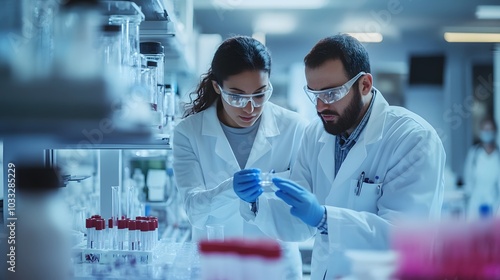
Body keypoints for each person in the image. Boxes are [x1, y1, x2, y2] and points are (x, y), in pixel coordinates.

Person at [233, 34, 446, 279]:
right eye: (314, 94)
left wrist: (324, 219)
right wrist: (255, 202)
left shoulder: (413, 139)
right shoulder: (316, 134)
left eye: (331, 94)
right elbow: (301, 223)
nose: (320, 106)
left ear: (364, 84)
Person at [172, 36, 308, 279]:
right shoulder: (188, 132)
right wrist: (229, 190)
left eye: (259, 94)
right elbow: (194, 210)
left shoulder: (294, 128)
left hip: (276, 269)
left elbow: (302, 208)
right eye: (236, 96)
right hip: (216, 266)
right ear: (217, 87)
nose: (250, 108)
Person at [463, 117, 500, 218]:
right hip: (475, 206)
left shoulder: (498, 156)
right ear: (480, 132)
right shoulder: (474, 154)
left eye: (490, 130)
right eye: (485, 130)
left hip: (494, 206)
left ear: (495, 132)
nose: (487, 133)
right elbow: (468, 179)